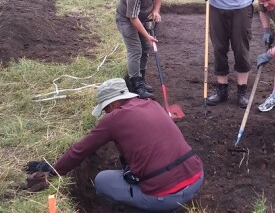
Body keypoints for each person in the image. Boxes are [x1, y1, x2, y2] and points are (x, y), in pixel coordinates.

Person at [25, 78, 204, 212]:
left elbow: (80, 150)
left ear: (113, 103)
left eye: (105, 107)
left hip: (164, 197)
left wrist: (53, 170)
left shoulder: (113, 119)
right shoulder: (152, 104)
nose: (106, 112)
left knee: (102, 180)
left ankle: (157, 206)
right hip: (196, 178)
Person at [116, 0, 169, 99]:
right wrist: (147, 35)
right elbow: (133, 18)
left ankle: (142, 78)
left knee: (145, 48)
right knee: (135, 50)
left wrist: (156, 11)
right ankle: (136, 85)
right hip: (126, 20)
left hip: (143, 17)